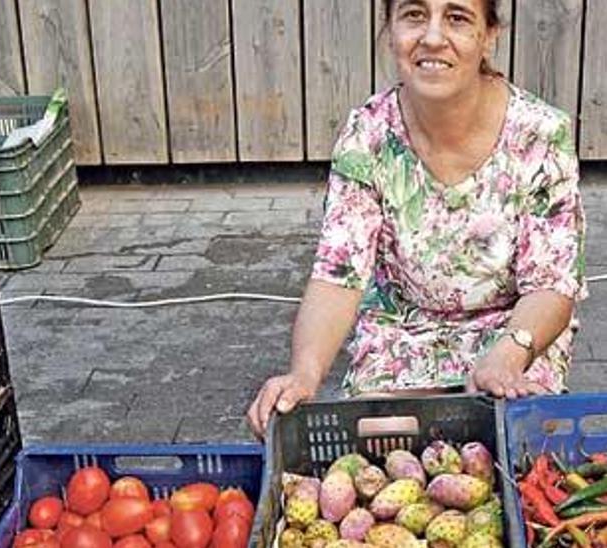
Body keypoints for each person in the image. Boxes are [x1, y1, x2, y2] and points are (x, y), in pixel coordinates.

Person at [247, 0, 586, 438]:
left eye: (457, 17)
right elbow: (338, 276)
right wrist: (304, 374)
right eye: (413, 15)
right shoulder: (367, 135)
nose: (431, 36)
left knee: (514, 442)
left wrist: (509, 354)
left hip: (513, 331)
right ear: (390, 30)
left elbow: (553, 286)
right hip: (402, 331)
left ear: (489, 35)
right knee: (383, 441)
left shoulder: (540, 133)